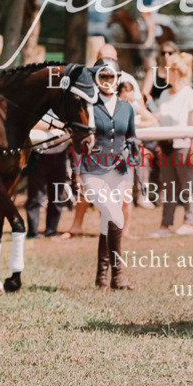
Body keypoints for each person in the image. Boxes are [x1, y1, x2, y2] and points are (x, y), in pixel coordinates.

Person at [72, 57, 139, 289]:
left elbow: (130, 135)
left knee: (107, 221)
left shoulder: (127, 107)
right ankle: (118, 275)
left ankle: (101, 276)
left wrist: (132, 152)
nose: (108, 81)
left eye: (111, 76)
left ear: (118, 78)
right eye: (103, 76)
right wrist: (76, 173)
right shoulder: (87, 106)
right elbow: (77, 141)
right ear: (96, 78)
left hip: (119, 170)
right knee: (114, 215)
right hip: (92, 170)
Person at [150, 52, 193, 236]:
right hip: (166, 145)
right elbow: (159, 119)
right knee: (169, 186)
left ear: (176, 72)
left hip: (185, 145)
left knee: (188, 186)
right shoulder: (164, 94)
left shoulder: (191, 95)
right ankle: (165, 225)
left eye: (168, 70)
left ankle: (189, 222)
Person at [118, 78, 159, 234]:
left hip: (130, 154)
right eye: (125, 98)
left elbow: (153, 121)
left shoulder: (134, 107)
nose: (128, 102)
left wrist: (134, 124)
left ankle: (125, 231)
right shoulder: (112, 108)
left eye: (130, 99)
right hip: (115, 156)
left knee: (126, 197)